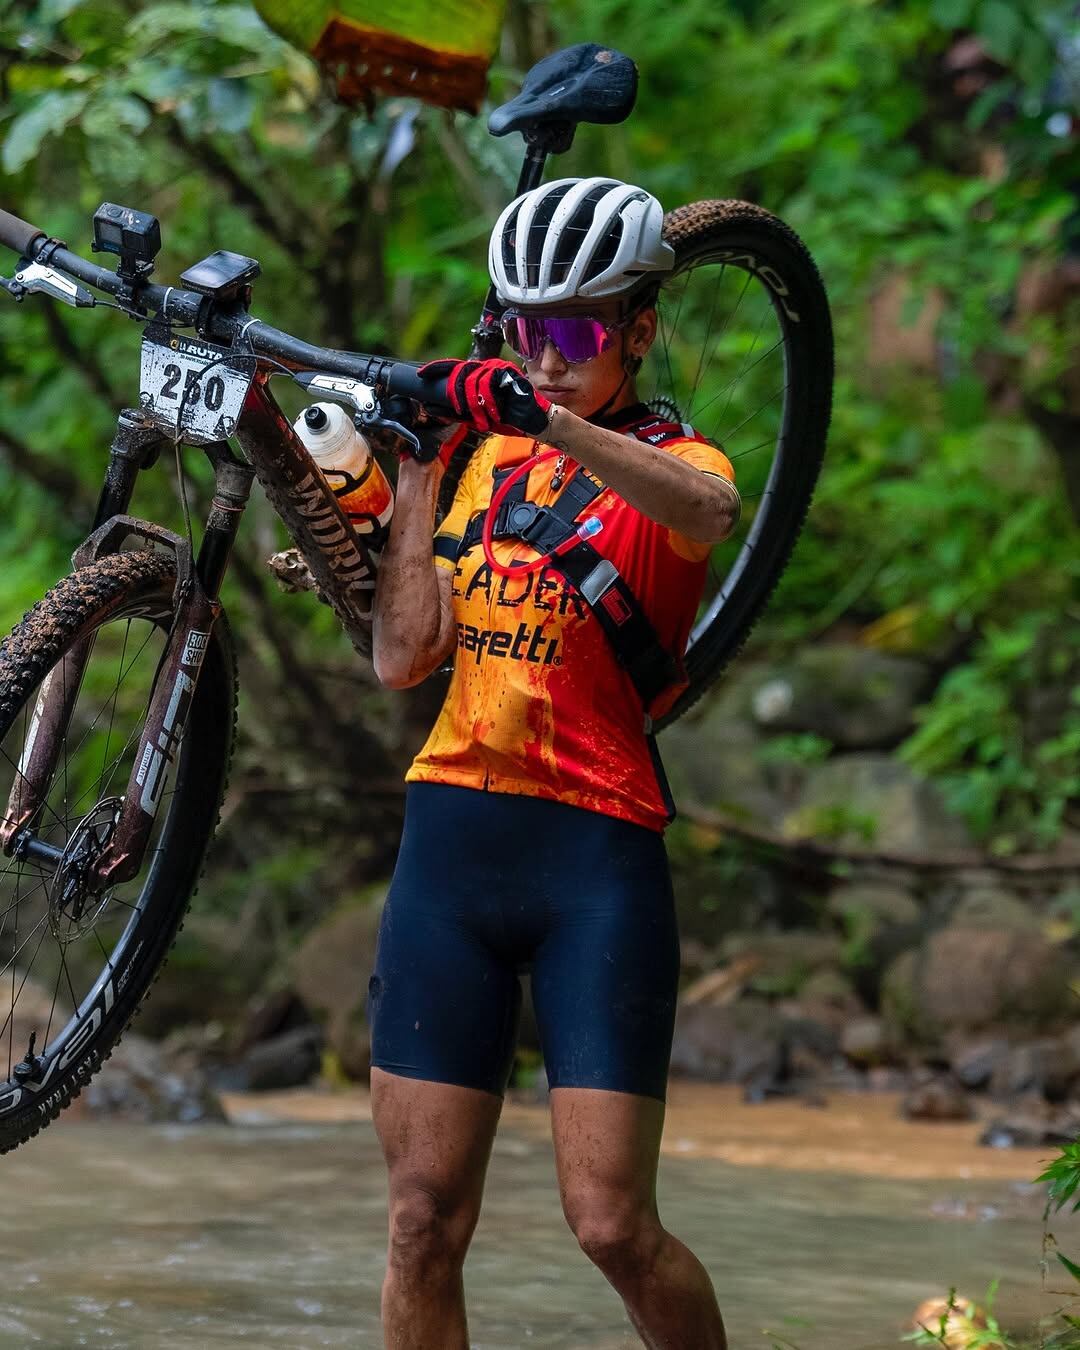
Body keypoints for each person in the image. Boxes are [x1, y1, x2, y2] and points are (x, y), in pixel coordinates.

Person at [369, 176, 738, 1349]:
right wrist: (425, 466)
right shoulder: (482, 463)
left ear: (635, 330)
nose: (547, 356)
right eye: (527, 335)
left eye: (574, 333)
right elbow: (402, 658)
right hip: (451, 850)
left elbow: (710, 514)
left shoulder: (673, 461)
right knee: (422, 1220)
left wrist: (549, 421)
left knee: (613, 1228)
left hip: (595, 859)